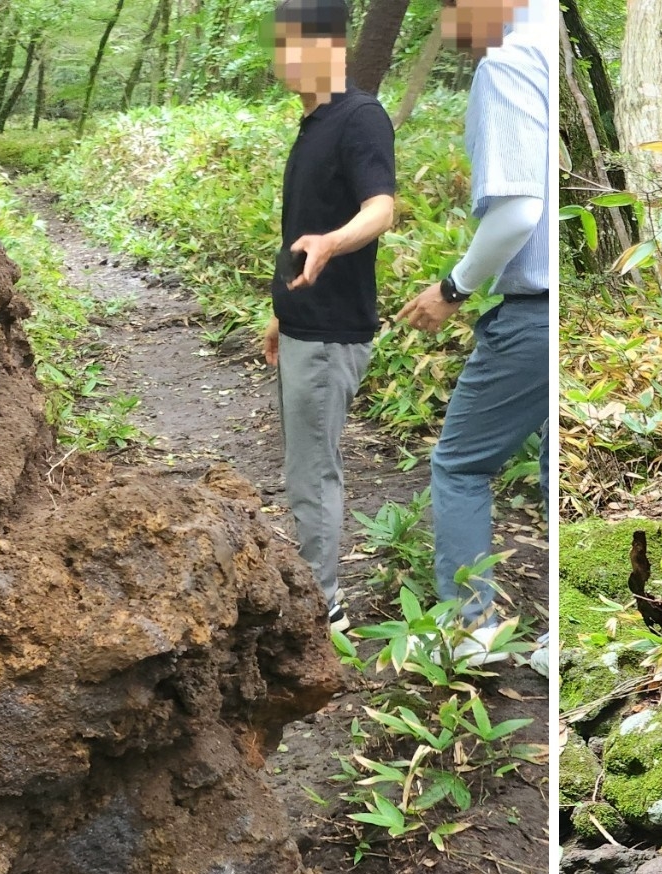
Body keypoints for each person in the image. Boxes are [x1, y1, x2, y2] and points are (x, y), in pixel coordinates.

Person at [396, 0, 553, 623]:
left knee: (460, 464)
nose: (448, 27)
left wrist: (453, 288)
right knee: (552, 469)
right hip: (553, 315)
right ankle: (553, 643)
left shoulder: (509, 63)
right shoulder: (550, 56)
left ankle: (467, 628)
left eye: (451, 8)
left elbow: (518, 212)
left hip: (532, 316)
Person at [267, 0, 398, 630]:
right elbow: (303, 227)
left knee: (313, 472)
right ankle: (315, 593)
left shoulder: (359, 117)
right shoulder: (314, 122)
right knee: (304, 465)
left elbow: (380, 209)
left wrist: (333, 243)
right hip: (302, 325)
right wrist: (282, 308)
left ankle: (322, 607)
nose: (278, 60)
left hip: (329, 334)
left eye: (288, 45)